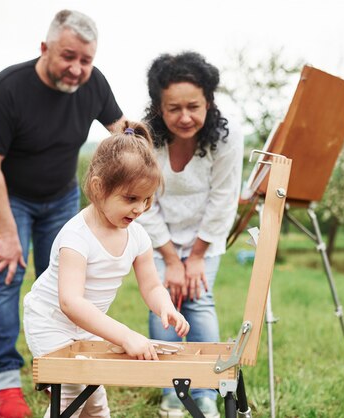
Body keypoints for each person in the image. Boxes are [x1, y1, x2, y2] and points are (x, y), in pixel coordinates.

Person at [0, 10, 125, 418]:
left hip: (60, 196)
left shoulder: (95, 85)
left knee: (63, 286)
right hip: (11, 197)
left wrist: (140, 159)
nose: (77, 70)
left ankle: (56, 370)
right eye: (68, 57)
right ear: (45, 49)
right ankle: (4, 380)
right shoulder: (7, 89)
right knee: (7, 276)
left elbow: (122, 133)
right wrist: (7, 234)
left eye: (86, 61)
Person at [23, 121, 189, 418]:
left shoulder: (137, 236)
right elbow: (70, 302)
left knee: (94, 397)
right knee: (71, 393)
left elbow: (151, 286)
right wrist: (125, 336)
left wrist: (166, 307)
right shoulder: (76, 237)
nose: (139, 209)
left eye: (146, 199)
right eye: (130, 198)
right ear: (99, 188)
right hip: (51, 322)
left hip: (87, 325)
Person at [137, 52, 244, 418]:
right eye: (174, 108)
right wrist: (169, 258)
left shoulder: (226, 139)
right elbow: (144, 202)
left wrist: (195, 257)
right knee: (162, 302)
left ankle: (206, 391)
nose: (185, 117)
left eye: (194, 106)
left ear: (209, 102)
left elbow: (223, 201)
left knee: (198, 301)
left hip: (204, 238)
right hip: (158, 236)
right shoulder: (146, 139)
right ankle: (169, 390)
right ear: (159, 108)